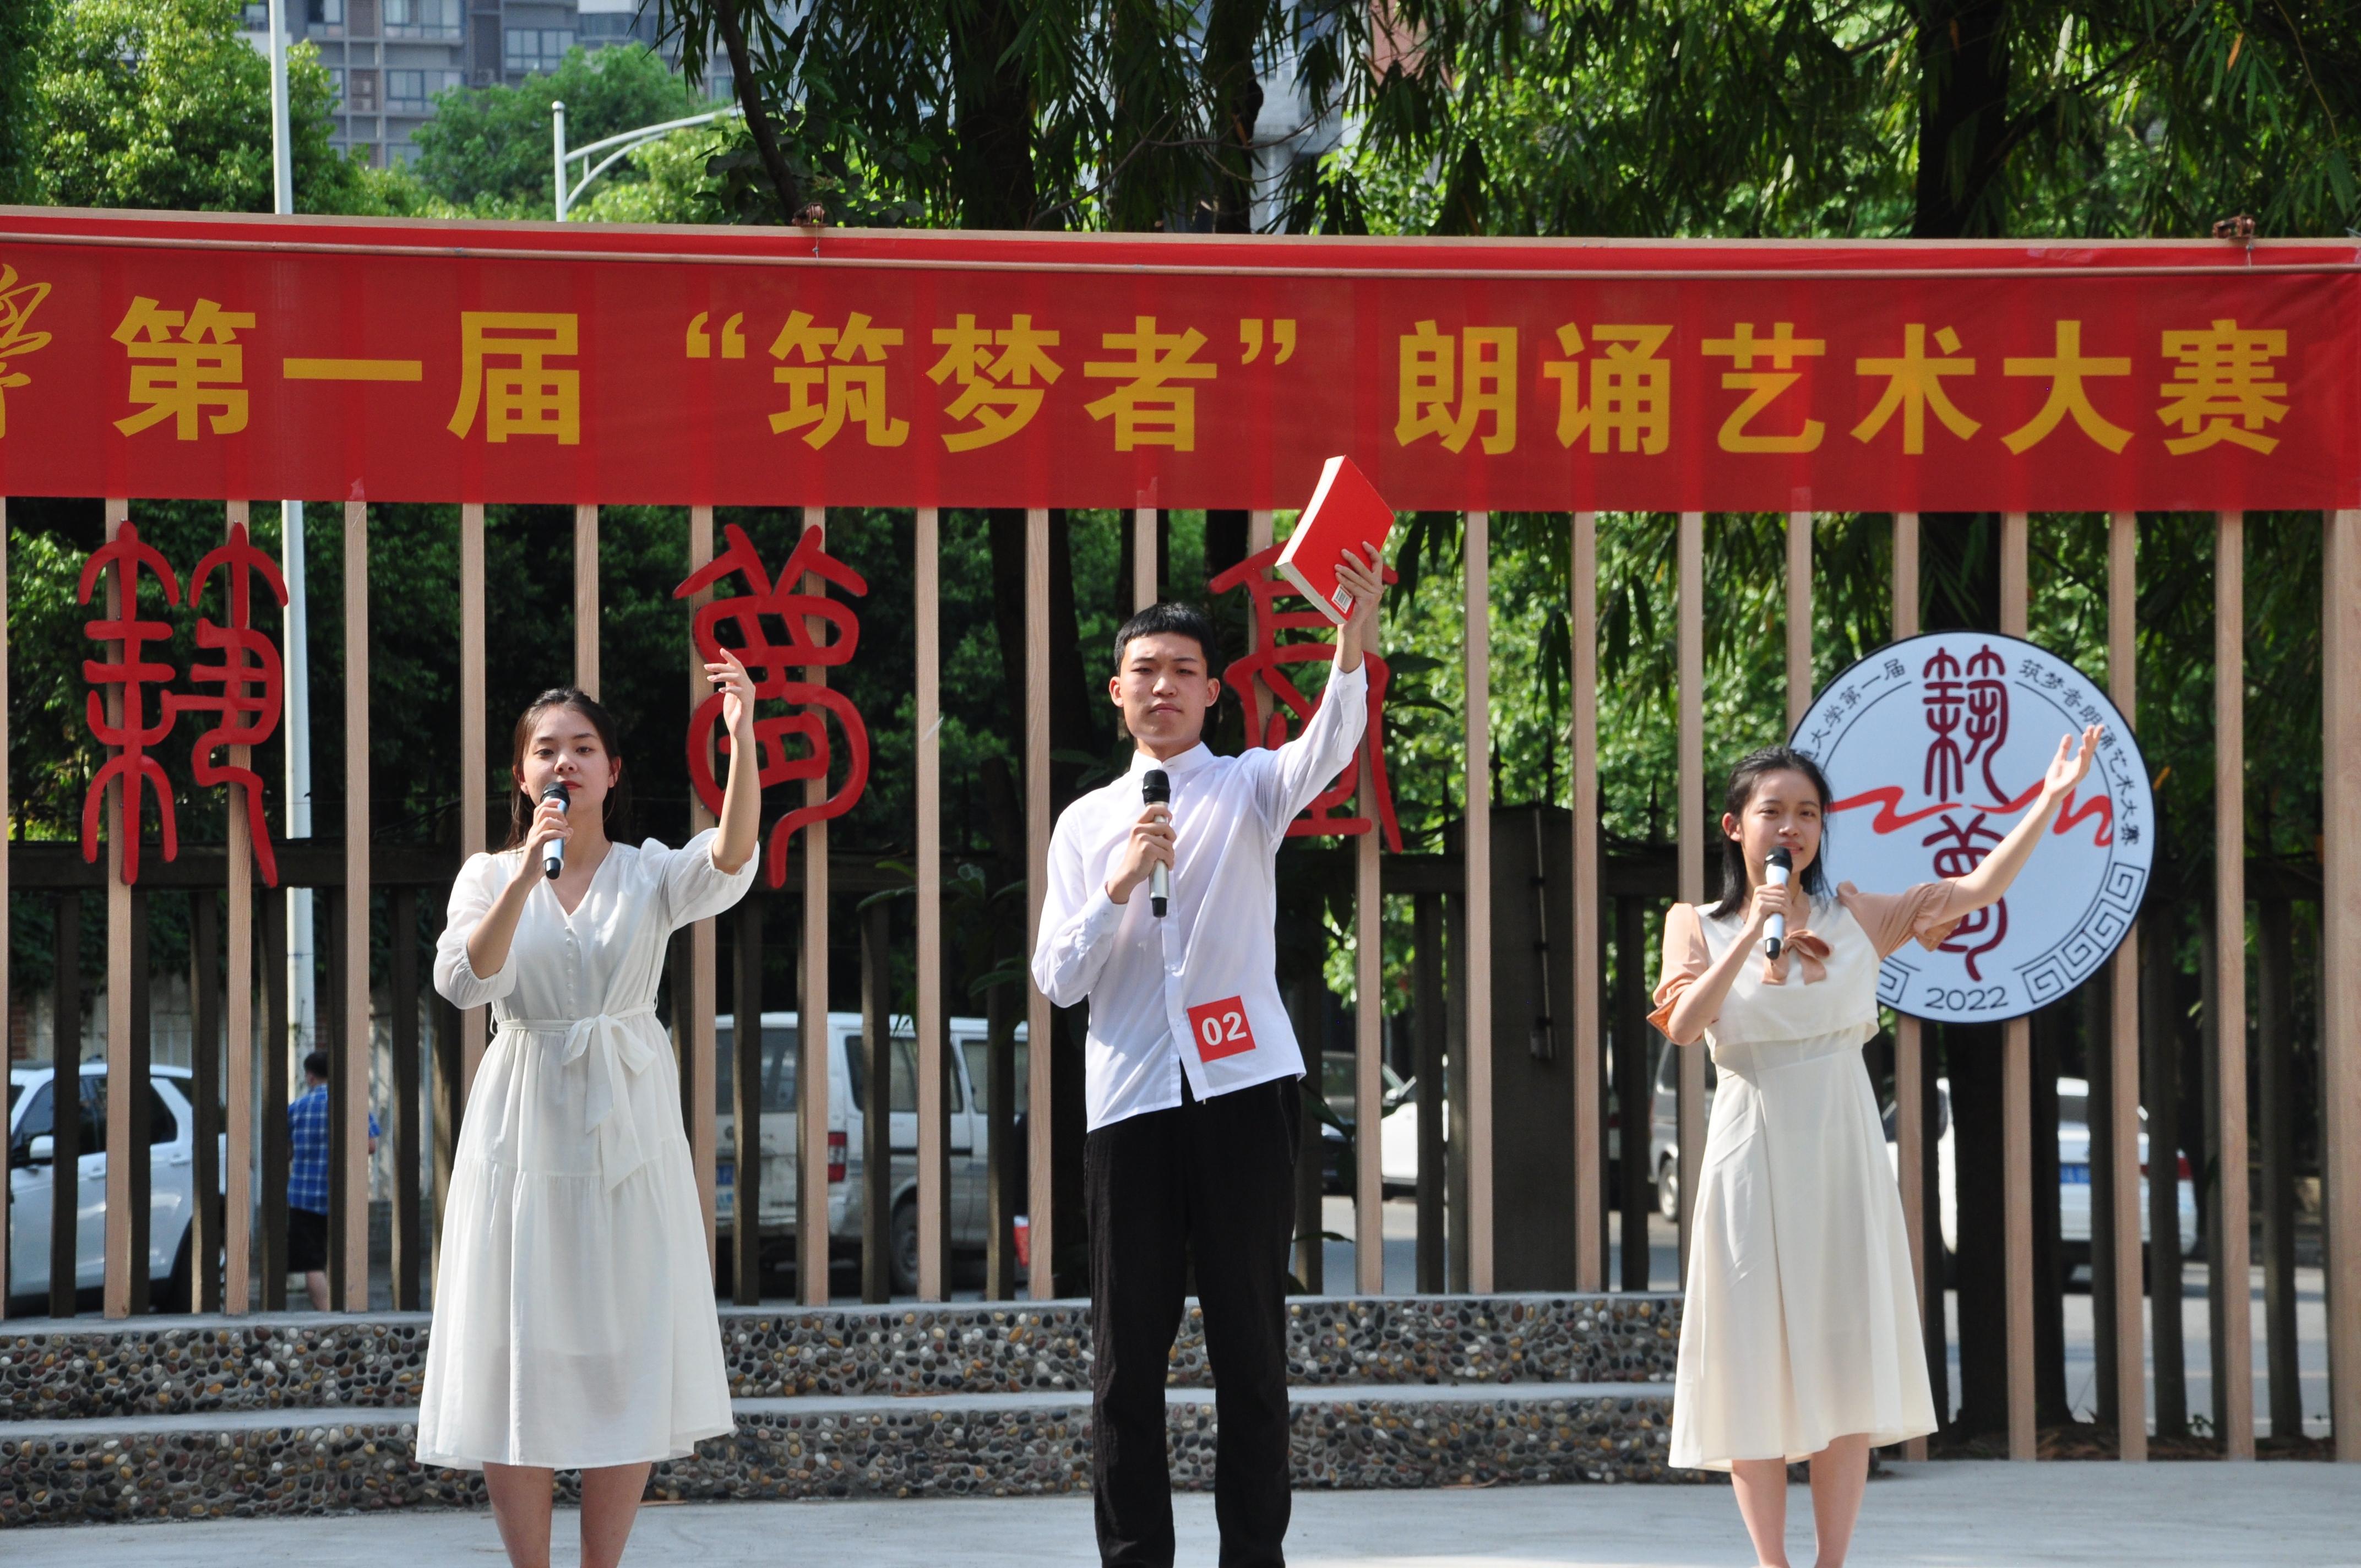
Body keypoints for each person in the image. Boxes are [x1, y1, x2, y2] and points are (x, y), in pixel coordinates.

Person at [1650, 727, 2101, 1568]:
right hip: (1751, 1145)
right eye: (1774, 812)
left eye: (1808, 813)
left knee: (1844, 1361)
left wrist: (2050, 799)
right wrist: (1755, 931)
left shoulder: (1859, 915)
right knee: (1751, 1361)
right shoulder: (1696, 925)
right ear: (1735, 826)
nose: (1792, 828)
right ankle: (1772, 1563)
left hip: (1844, 1146)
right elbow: (1682, 1025)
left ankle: (1832, 1560)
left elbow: (1977, 888)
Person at [1031, 546, 1386, 1568]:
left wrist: (1350, 638)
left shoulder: (1248, 787)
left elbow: (1329, 742)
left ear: (1212, 691)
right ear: (1117, 692)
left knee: (1251, 1353)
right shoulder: (1086, 825)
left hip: (1242, 1097)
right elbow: (1058, 978)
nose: (1164, 686)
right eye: (1145, 670)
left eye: (1184, 670)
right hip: (1130, 1104)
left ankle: (1252, 1558)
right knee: (1125, 1364)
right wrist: (1118, 882)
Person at [419, 651, 761, 1568]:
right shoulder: (489, 874)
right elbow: (462, 980)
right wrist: (526, 878)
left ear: (612, 771)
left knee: (625, 1347)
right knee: (514, 1349)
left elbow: (730, 856)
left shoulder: (649, 874)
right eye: (545, 749)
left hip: (627, 1129)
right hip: (521, 1121)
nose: (563, 762)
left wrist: (742, 743)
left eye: (581, 747)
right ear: (520, 773)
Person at [285, 1048, 378, 1311]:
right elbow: (371, 1145)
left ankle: (327, 1316)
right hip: (343, 1196)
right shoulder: (352, 1106)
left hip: (304, 1198)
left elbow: (286, 1152)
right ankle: (351, 1309)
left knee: (312, 1263)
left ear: (310, 1077)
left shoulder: (297, 1109)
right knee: (345, 1256)